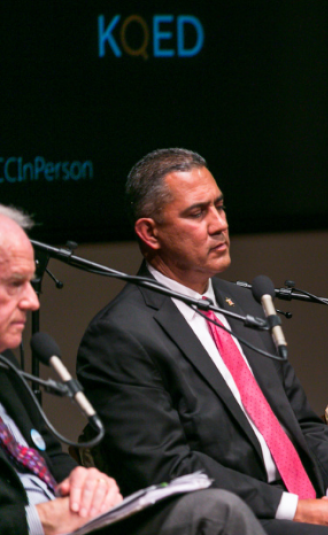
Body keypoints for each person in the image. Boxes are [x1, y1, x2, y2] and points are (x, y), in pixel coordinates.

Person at [75, 148, 328, 535]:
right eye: (197, 213)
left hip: (314, 498)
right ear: (150, 233)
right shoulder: (120, 335)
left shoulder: (244, 303)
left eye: (219, 206)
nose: (220, 224)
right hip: (248, 516)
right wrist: (296, 508)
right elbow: (169, 467)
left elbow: (303, 424)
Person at [0, 204, 266, 535]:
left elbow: (49, 452)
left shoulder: (5, 360)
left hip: (79, 524)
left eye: (31, 283)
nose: (32, 301)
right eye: (14, 284)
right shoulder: (122, 332)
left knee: (214, 513)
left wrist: (80, 479)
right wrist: (39, 520)